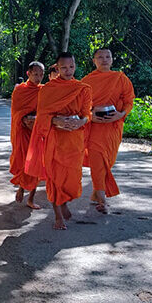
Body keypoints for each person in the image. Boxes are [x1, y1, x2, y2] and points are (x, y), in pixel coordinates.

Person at [25, 52, 91, 230]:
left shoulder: (83, 89)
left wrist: (80, 122)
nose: (68, 70)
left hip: (74, 140)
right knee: (55, 178)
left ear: (75, 66)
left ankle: (64, 202)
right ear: (57, 68)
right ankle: (58, 216)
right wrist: (56, 120)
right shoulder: (48, 90)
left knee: (72, 180)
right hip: (54, 139)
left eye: (71, 67)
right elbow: (42, 117)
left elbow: (87, 114)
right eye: (64, 67)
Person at [81, 48, 135, 214]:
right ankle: (102, 199)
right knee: (97, 160)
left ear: (112, 59)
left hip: (113, 126)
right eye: (100, 57)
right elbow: (80, 104)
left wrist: (120, 114)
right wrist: (91, 115)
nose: (104, 60)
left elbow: (129, 100)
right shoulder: (86, 81)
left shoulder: (120, 78)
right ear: (94, 61)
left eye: (107, 57)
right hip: (95, 127)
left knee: (108, 161)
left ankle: (96, 192)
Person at [10, 62, 44, 209]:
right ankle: (22, 188)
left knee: (37, 164)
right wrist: (24, 119)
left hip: (38, 132)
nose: (38, 78)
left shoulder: (44, 90)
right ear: (28, 74)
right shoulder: (20, 91)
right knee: (24, 162)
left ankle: (31, 198)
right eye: (35, 74)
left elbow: (48, 110)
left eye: (41, 75)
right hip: (23, 131)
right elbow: (16, 111)